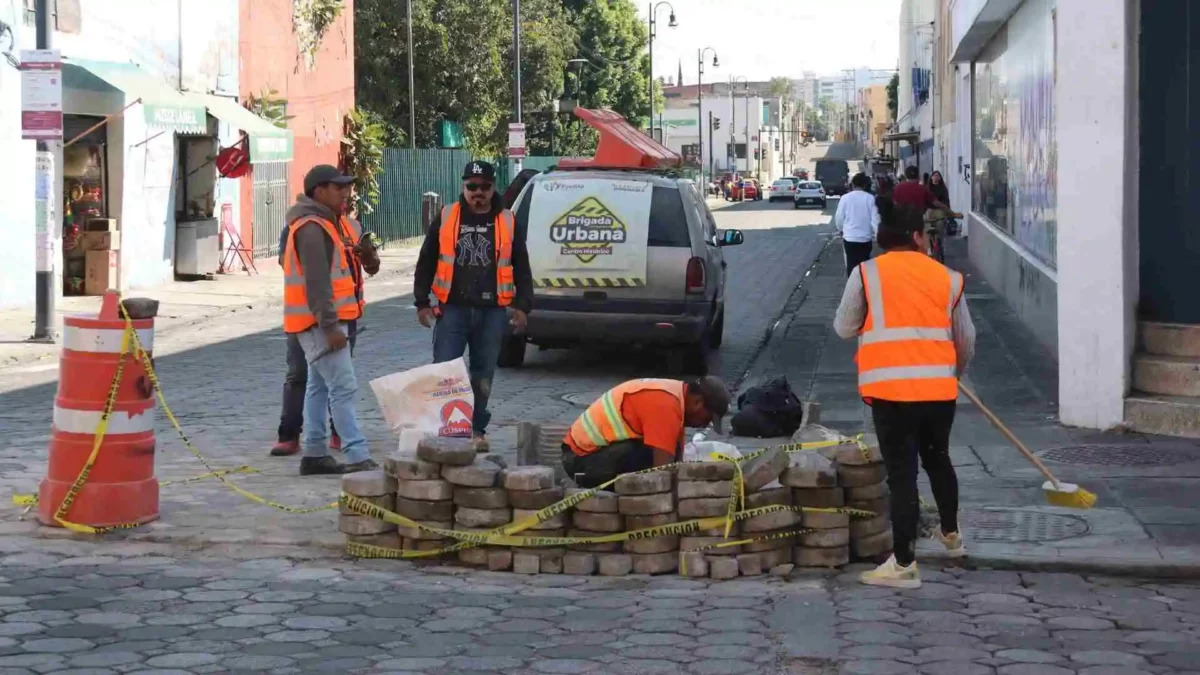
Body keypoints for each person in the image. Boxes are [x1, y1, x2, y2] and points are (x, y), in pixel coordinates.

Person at [833, 197, 976, 589]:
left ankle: (904, 563)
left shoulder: (866, 274)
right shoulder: (948, 278)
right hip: (939, 391)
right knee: (938, 460)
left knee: (902, 475)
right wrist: (954, 373)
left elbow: (844, 327)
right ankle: (952, 536)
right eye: (926, 234)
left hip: (890, 392)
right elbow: (966, 338)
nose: (928, 239)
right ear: (915, 236)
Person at [413, 160, 534, 452]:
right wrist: (421, 302)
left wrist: (522, 306)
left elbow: (522, 266)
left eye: (485, 187)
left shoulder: (508, 220)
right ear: (463, 186)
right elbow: (426, 260)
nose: (478, 192)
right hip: (452, 310)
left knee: (483, 373)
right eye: (472, 186)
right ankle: (446, 428)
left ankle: (476, 429)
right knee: (445, 371)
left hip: (492, 311)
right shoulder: (447, 216)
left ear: (493, 188)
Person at [271, 173, 380, 458]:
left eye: (348, 187)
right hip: (317, 322)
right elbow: (316, 282)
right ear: (319, 191)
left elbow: (365, 267)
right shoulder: (310, 227)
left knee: (318, 386)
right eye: (339, 187)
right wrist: (331, 327)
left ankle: (316, 452)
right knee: (337, 385)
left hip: (337, 318)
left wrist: (366, 255)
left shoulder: (343, 225)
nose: (346, 193)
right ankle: (356, 454)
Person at [561, 377, 731, 488]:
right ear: (698, 403)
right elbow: (662, 470)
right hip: (581, 462)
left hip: (594, 455)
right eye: (708, 418)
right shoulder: (665, 405)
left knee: (668, 454)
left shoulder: (676, 397)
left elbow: (677, 462)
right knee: (649, 460)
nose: (705, 424)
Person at [834, 173, 880, 277]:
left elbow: (839, 217)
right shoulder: (870, 198)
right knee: (865, 267)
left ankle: (852, 284)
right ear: (865, 185)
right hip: (865, 238)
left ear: (853, 184)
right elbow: (875, 220)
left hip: (849, 238)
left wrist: (841, 229)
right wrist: (878, 235)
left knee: (851, 266)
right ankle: (865, 284)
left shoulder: (845, 198)